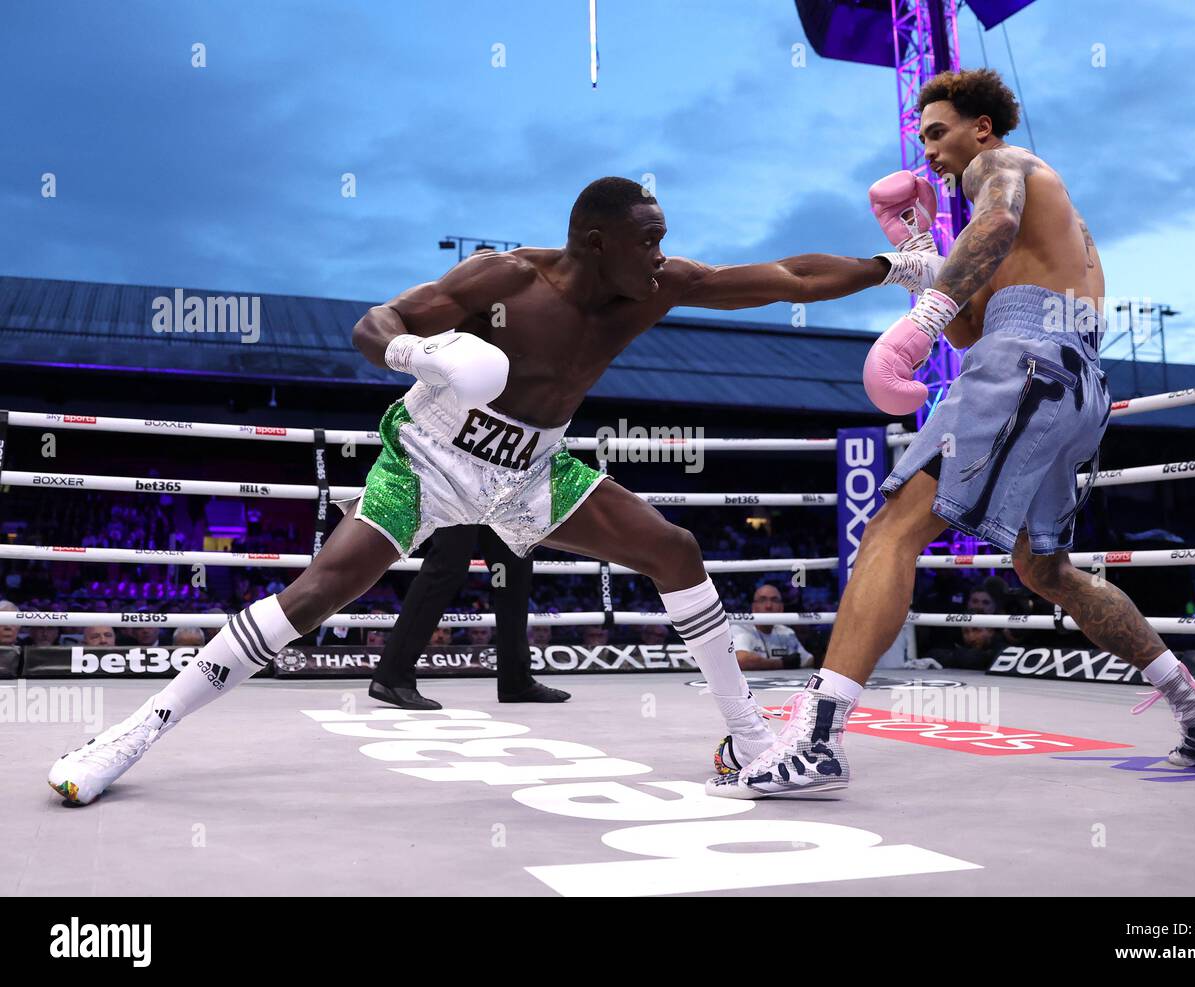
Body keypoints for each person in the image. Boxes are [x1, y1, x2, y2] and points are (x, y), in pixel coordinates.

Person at [49, 175, 905, 804]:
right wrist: (419, 356)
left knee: (673, 549)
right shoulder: (504, 279)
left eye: (662, 236)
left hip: (533, 467)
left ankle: (751, 746)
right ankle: (133, 733)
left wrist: (890, 266)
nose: (661, 250)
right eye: (646, 236)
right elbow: (371, 323)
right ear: (595, 240)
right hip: (427, 458)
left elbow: (786, 277)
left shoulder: (660, 288)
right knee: (319, 591)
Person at [711, 68, 1195, 799]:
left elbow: (989, 241)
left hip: (1023, 365)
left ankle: (818, 739)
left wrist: (919, 320)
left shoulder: (1001, 167)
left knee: (891, 529)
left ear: (981, 128)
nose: (928, 150)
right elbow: (978, 318)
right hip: (1073, 381)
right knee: (1046, 571)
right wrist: (922, 249)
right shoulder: (1046, 221)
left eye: (937, 132)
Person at [370, 524, 566, 710]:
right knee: (448, 563)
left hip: (501, 492)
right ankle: (391, 676)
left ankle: (515, 679)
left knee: (511, 567)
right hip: (460, 490)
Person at [733, 583, 814, 671]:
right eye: (762, 600)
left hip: (782, 683)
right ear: (754, 608)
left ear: (781, 608)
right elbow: (741, 660)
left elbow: (808, 660)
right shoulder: (741, 629)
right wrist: (782, 663)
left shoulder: (786, 633)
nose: (769, 606)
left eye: (774, 600)